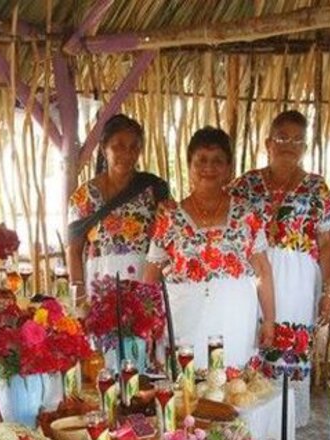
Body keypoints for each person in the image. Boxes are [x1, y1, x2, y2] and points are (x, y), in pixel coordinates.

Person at [230, 110, 330, 426]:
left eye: (297, 140)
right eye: (282, 138)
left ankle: (284, 432)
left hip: (298, 282)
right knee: (250, 348)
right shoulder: (246, 184)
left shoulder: (317, 188)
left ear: (305, 147)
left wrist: (329, 292)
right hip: (252, 278)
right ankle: (248, 431)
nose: (289, 145)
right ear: (267, 143)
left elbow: (327, 242)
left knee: (287, 354)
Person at [143, 127, 276, 371]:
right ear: (189, 166)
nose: (209, 168)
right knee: (187, 394)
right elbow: (151, 276)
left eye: (218, 161)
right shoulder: (169, 216)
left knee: (234, 394)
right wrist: (147, 324)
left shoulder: (248, 214)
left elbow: (263, 270)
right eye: (201, 160)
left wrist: (269, 320)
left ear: (228, 169)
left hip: (234, 320)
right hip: (184, 321)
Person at [67, 114, 169, 303]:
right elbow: (74, 250)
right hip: (100, 286)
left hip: (143, 283)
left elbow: (165, 239)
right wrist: (79, 295)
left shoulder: (153, 190)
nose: (127, 154)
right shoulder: (84, 196)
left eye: (134, 147)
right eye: (118, 146)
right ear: (104, 149)